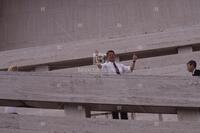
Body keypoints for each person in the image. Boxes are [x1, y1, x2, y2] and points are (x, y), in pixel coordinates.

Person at [95, 50, 138, 120]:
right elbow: (99, 66)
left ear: (115, 56)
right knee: (115, 109)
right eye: (110, 55)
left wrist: (134, 61)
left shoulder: (120, 65)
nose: (111, 56)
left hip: (121, 89)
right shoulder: (106, 65)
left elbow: (130, 69)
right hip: (113, 90)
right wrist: (97, 57)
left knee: (123, 109)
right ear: (107, 57)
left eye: (113, 55)